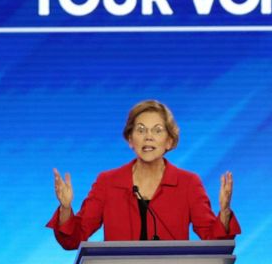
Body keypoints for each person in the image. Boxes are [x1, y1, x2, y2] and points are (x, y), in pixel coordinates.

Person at [47, 99, 240, 248]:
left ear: (169, 142)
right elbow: (73, 239)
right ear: (130, 140)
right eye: (141, 130)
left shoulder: (188, 183)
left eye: (157, 130)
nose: (148, 136)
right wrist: (65, 208)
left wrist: (224, 212)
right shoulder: (108, 182)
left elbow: (213, 240)